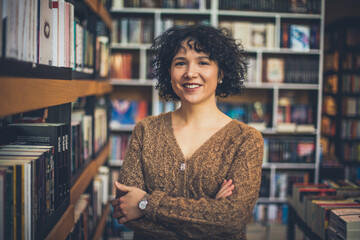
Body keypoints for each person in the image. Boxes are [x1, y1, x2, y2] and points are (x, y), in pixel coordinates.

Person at [111, 24, 264, 240]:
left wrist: (146, 203)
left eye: (203, 62)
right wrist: (211, 219)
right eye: (180, 63)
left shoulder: (246, 139)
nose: (190, 73)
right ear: (169, 72)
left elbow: (233, 218)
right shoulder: (146, 131)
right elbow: (126, 210)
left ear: (220, 72)